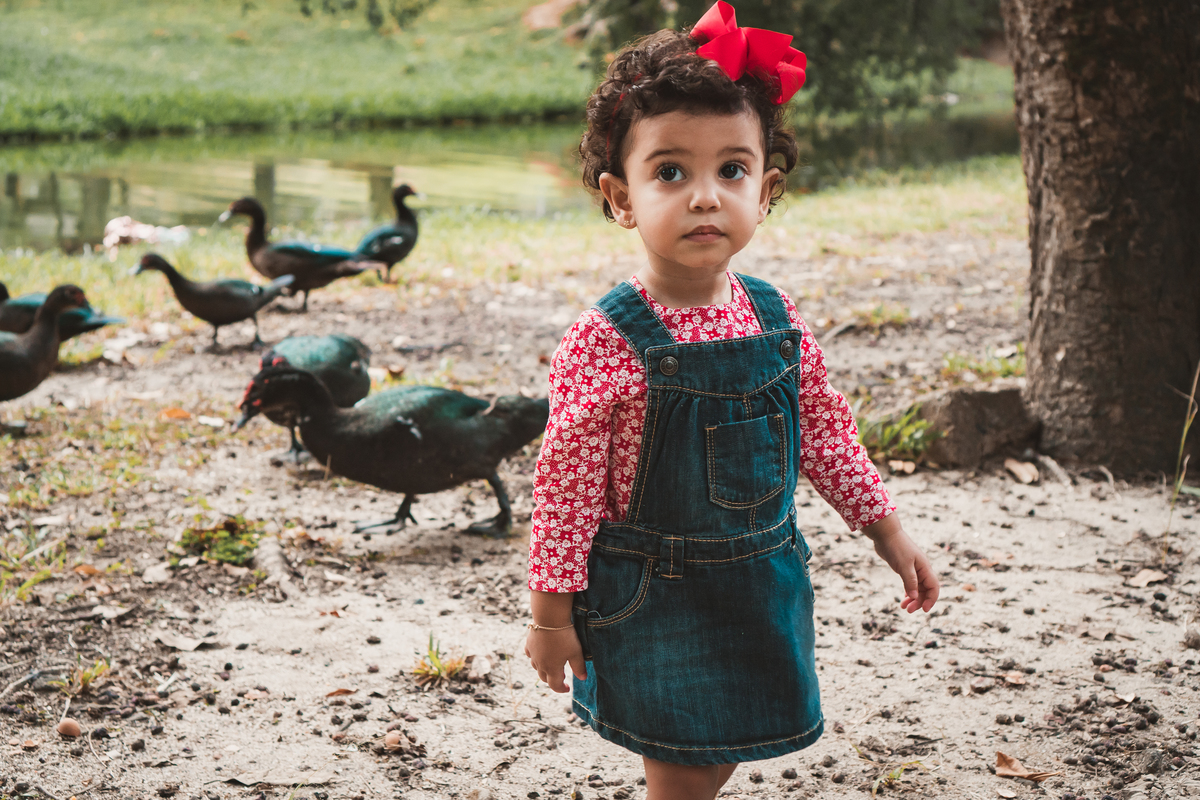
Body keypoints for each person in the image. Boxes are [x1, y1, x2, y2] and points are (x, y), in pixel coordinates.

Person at [524, 4, 940, 798]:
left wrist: (885, 526)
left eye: (732, 171)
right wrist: (550, 615)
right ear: (621, 197)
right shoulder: (606, 338)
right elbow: (565, 489)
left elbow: (825, 434)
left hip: (758, 582)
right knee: (684, 766)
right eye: (671, 172)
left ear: (767, 187)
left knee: (724, 746)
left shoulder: (775, 316)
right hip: (657, 594)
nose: (706, 197)